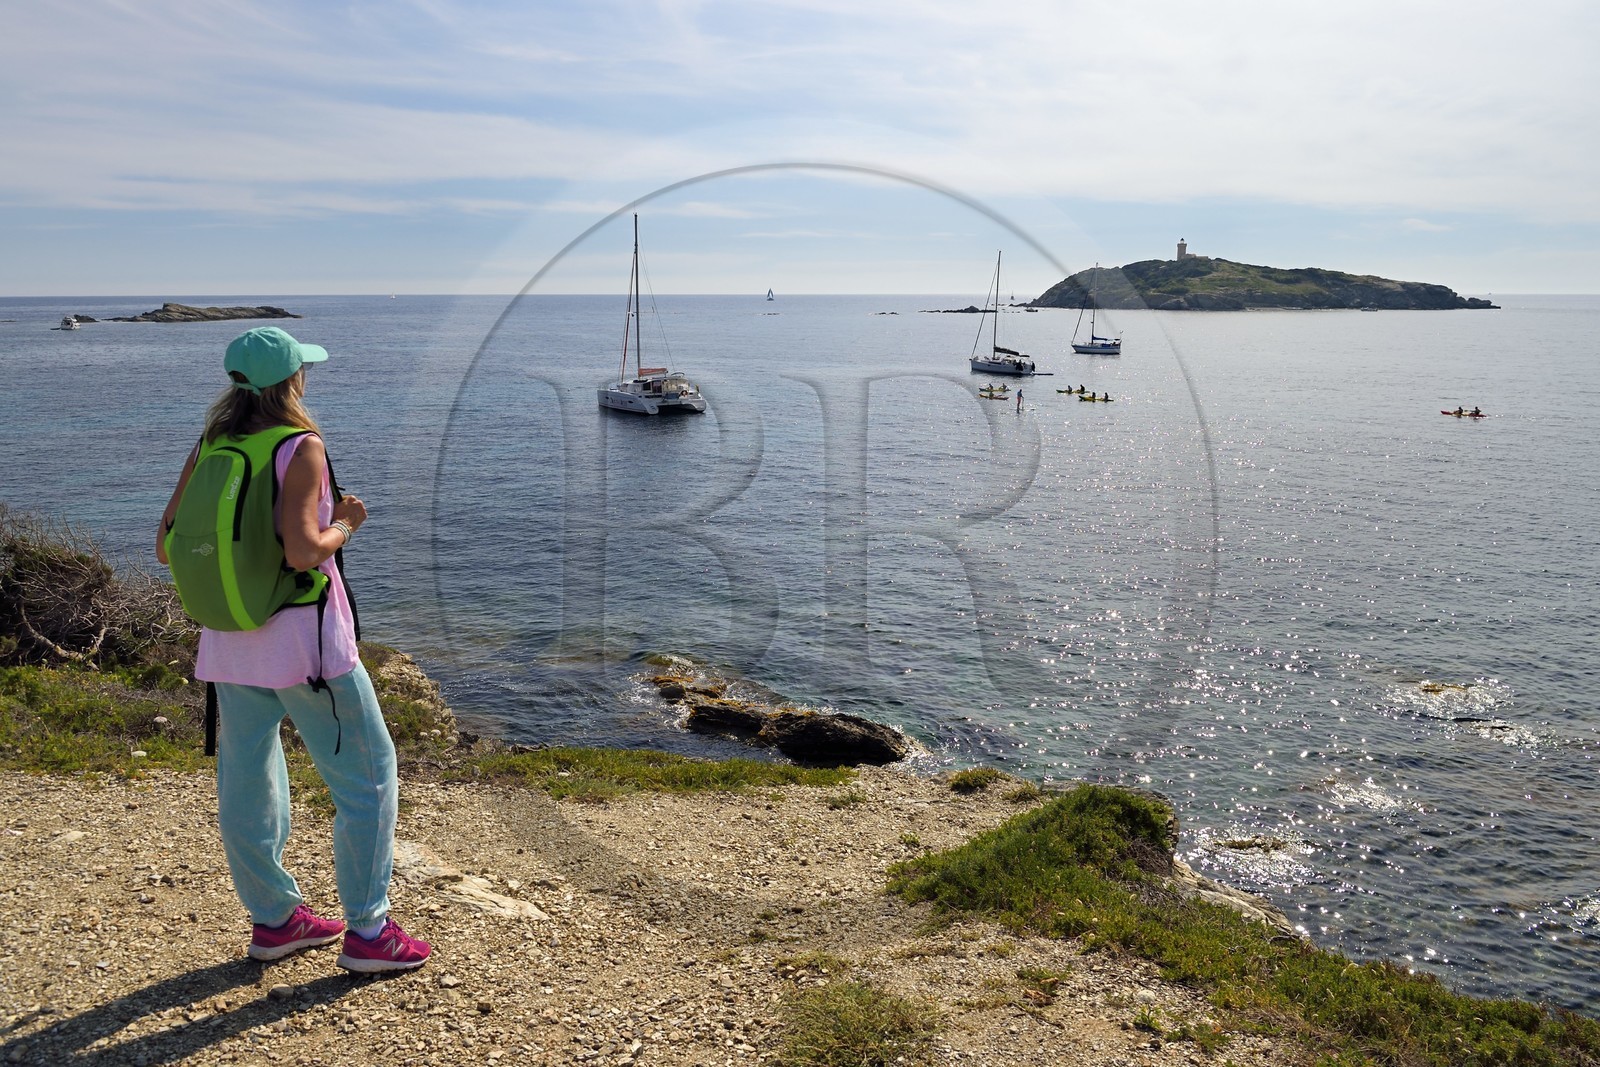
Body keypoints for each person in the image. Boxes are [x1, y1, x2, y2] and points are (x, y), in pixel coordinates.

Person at [156, 327, 431, 973]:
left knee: (248, 780)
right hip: (305, 650)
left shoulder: (212, 444)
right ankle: (369, 931)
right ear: (292, 381)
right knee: (368, 777)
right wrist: (346, 524)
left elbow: (167, 543)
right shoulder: (299, 446)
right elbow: (304, 550)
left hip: (228, 645)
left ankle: (276, 921)